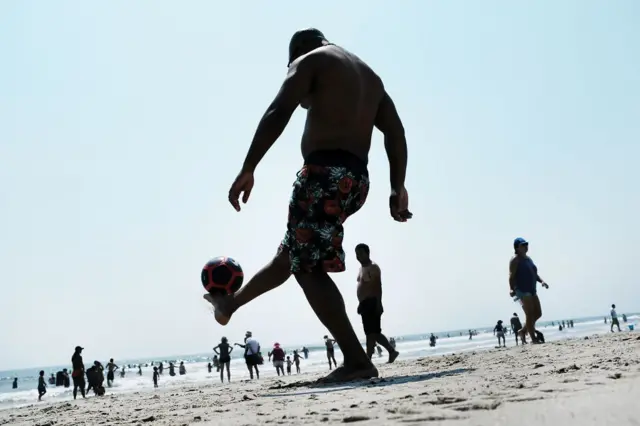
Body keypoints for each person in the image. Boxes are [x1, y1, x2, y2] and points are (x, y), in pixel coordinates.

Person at [203, 28, 411, 383]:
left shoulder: (310, 60)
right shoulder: (370, 77)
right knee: (292, 254)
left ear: (298, 51)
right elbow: (395, 132)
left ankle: (356, 359)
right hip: (355, 181)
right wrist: (397, 186)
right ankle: (231, 304)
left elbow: (279, 109)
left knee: (306, 267)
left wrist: (249, 166)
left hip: (321, 176)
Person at [355, 243, 400, 363]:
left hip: (372, 302)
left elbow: (377, 286)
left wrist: (379, 303)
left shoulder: (373, 267)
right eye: (357, 254)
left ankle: (367, 360)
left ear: (367, 253)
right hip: (364, 304)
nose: (358, 256)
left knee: (371, 334)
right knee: (374, 333)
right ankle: (392, 351)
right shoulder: (361, 268)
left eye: (360, 253)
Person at [509, 238, 549, 344]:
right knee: (530, 314)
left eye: (527, 244)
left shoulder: (529, 259)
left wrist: (542, 282)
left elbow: (534, 274)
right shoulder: (515, 260)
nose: (526, 246)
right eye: (523, 245)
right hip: (522, 290)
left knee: (538, 313)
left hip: (532, 289)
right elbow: (511, 276)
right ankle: (533, 338)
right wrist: (511, 289)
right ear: (517, 247)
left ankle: (522, 331)